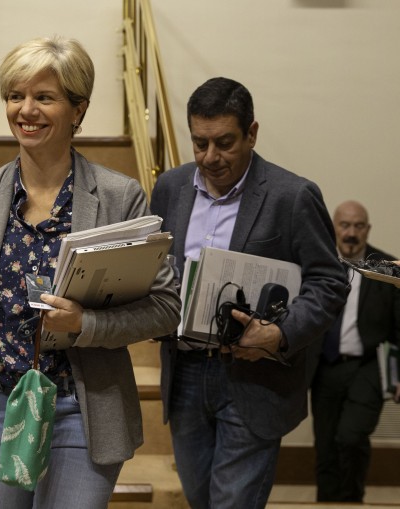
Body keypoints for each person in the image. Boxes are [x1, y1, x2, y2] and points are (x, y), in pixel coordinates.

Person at [0, 36, 181, 509]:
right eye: (16, 96)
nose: (26, 110)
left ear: (78, 110)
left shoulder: (120, 198)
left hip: (83, 409)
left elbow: (165, 307)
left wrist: (85, 324)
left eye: (44, 97)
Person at [150, 77, 348, 509]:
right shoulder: (169, 188)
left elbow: (330, 281)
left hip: (255, 378)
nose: (210, 157)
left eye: (224, 143)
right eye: (199, 144)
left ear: (252, 133)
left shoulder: (292, 195)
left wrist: (279, 335)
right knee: (201, 499)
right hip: (183, 373)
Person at [311, 200, 400, 503]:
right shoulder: (316, 263)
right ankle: (327, 502)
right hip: (323, 367)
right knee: (325, 447)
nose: (351, 233)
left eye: (358, 226)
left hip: (367, 367)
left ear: (368, 230)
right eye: (344, 225)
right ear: (333, 228)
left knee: (350, 437)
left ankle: (351, 501)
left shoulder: (387, 268)